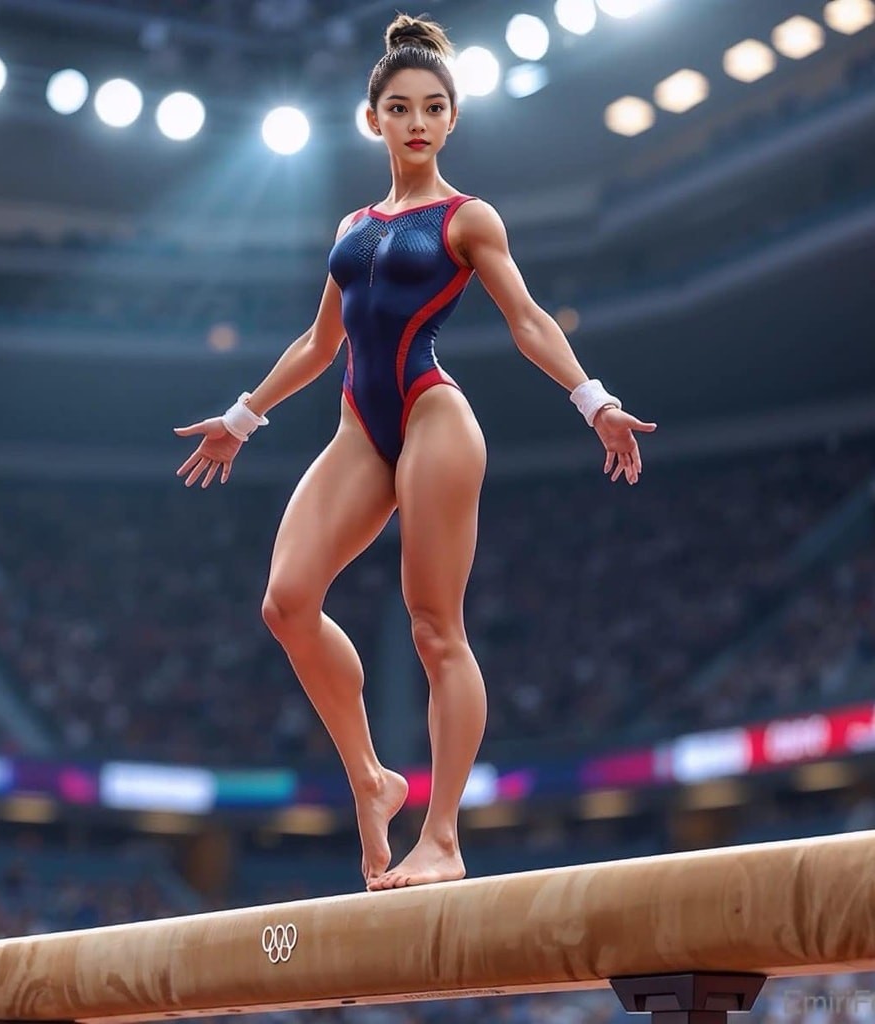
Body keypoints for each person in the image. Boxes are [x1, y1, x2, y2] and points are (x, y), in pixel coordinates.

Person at [175, 13, 658, 891]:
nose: (418, 121)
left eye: (434, 107)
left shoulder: (468, 218)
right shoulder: (354, 225)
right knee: (286, 603)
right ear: (375, 121)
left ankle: (442, 836)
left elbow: (528, 319)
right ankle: (370, 776)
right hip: (361, 422)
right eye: (400, 107)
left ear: (452, 119)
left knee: (436, 630)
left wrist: (595, 399)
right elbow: (321, 345)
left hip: (434, 417)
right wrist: (241, 417)